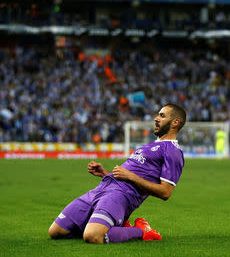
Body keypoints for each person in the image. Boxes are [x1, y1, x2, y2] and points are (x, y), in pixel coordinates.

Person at [48, 104, 186, 244]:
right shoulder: (147, 146)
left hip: (121, 196)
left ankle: (142, 231)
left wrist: (130, 176)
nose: (156, 118)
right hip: (102, 188)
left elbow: (165, 192)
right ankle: (106, 225)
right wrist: (105, 173)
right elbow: (126, 176)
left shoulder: (173, 151)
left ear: (175, 122)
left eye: (162, 116)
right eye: (158, 115)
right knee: (56, 231)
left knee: (93, 236)